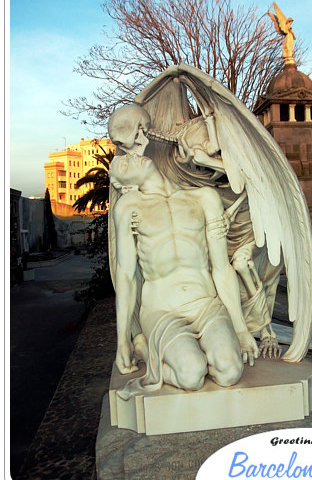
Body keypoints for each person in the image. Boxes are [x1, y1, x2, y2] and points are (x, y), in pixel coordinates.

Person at [109, 151, 259, 392]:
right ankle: (149, 352)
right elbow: (126, 275)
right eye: (124, 166)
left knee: (230, 371)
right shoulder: (129, 207)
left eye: (130, 155)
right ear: (127, 186)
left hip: (205, 305)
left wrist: (241, 329)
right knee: (191, 375)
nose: (133, 158)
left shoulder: (204, 198)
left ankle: (191, 353)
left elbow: (221, 268)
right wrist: (123, 340)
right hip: (162, 310)